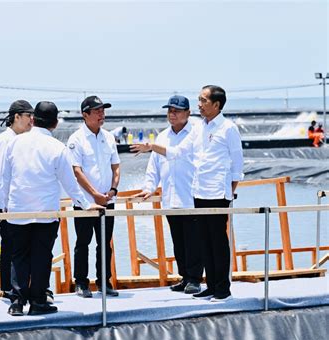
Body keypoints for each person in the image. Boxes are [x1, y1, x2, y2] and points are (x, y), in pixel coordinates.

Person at [131, 85, 244, 302]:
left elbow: (237, 164)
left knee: (218, 243)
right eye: (199, 100)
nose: (199, 104)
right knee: (205, 242)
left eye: (203, 101)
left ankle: (222, 289)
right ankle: (210, 286)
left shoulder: (228, 128)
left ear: (216, 105)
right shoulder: (199, 128)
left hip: (218, 193)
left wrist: (231, 191)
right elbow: (177, 152)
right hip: (198, 193)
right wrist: (152, 147)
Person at [1, 101, 103, 316]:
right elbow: (69, 182)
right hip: (46, 211)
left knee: (18, 256)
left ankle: (17, 302)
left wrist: (3, 208)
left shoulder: (14, 143)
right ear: (55, 123)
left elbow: (4, 178)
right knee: (41, 256)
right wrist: (85, 204)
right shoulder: (57, 147)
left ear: (33, 119)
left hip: (18, 209)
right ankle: (38, 301)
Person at [134, 95, 202, 294]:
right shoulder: (163, 136)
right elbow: (153, 167)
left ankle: (195, 278)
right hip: (170, 198)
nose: (172, 114)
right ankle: (184, 277)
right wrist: (149, 187)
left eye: (177, 111)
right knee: (178, 241)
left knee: (193, 241)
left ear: (188, 113)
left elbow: (176, 153)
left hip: (191, 197)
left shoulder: (195, 134)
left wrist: (152, 147)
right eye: (170, 110)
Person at [67, 95, 120, 298]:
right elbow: (77, 171)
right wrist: (94, 195)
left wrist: (113, 190)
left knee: (105, 243)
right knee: (83, 242)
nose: (101, 114)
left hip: (107, 201)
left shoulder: (108, 137)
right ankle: (81, 282)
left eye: (103, 110)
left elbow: (116, 167)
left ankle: (104, 282)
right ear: (85, 114)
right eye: (97, 111)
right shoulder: (76, 139)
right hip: (85, 203)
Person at [0, 99, 34, 298]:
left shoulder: (21, 139)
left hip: (18, 204)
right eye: (28, 116)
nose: (31, 120)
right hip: (7, 205)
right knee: (10, 248)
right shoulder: (4, 140)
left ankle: (19, 286)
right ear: (16, 117)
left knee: (20, 248)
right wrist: (4, 207)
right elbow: (0, 177)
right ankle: (8, 288)